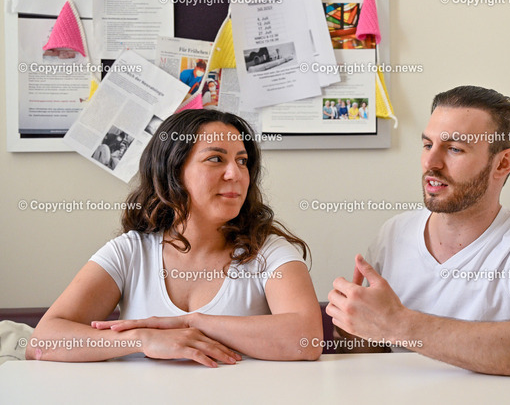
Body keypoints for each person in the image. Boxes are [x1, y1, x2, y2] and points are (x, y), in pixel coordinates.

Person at [327, 85, 510, 386]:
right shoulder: (394, 233)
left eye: (454, 149)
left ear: (502, 163)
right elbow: (373, 359)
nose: (430, 163)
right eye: (427, 145)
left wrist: (399, 324)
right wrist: (355, 331)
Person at [27, 109, 323, 366]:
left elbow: (308, 339)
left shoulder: (269, 251)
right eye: (216, 159)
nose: (235, 174)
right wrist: (143, 339)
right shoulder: (130, 252)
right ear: (173, 171)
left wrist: (192, 323)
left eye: (242, 161)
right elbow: (41, 342)